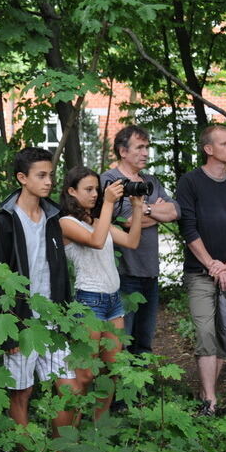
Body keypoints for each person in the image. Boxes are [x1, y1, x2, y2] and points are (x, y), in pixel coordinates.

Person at [0, 147, 79, 435]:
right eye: (41, 175)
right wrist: (7, 329)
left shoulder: (53, 218)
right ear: (22, 178)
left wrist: (65, 316)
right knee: (21, 393)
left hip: (52, 318)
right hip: (20, 322)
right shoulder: (4, 221)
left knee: (69, 389)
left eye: (50, 174)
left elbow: (60, 270)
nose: (49, 181)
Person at [176, 125, 226, 416]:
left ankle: (208, 390)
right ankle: (210, 401)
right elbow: (189, 228)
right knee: (205, 332)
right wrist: (211, 265)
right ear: (209, 149)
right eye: (225, 144)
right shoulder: (190, 182)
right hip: (199, 272)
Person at [59, 166, 144, 417]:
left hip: (113, 301)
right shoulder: (65, 223)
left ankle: (99, 426)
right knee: (85, 375)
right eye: (88, 189)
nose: (95, 194)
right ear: (71, 191)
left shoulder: (98, 221)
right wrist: (108, 203)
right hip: (89, 302)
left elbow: (132, 242)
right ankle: (74, 427)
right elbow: (96, 241)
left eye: (97, 189)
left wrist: (137, 207)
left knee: (111, 371)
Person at [100, 125, 180, 355]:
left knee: (144, 342)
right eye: (140, 147)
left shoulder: (150, 180)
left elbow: (174, 212)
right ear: (123, 151)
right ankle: (119, 390)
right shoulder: (110, 180)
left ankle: (141, 389)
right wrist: (153, 211)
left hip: (150, 272)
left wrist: (143, 211)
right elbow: (124, 220)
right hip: (124, 273)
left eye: (147, 147)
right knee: (121, 343)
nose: (145, 152)